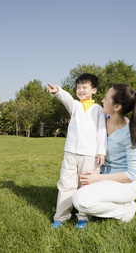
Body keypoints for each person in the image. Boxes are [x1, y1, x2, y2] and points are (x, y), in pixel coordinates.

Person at [72, 84, 136, 226]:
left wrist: (98, 178)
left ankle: (125, 209)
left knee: (79, 200)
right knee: (73, 192)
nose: (102, 100)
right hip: (102, 178)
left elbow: (132, 174)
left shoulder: (131, 134)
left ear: (117, 107)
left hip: (124, 185)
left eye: (106, 98)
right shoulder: (100, 119)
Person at [47, 73, 107, 229]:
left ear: (93, 90)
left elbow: (102, 132)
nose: (80, 90)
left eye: (84, 87)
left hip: (91, 156)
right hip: (71, 154)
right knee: (66, 185)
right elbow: (66, 98)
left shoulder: (99, 110)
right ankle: (60, 218)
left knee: (86, 186)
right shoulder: (75, 106)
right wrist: (58, 91)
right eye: (78, 87)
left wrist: (102, 152)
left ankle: (83, 217)